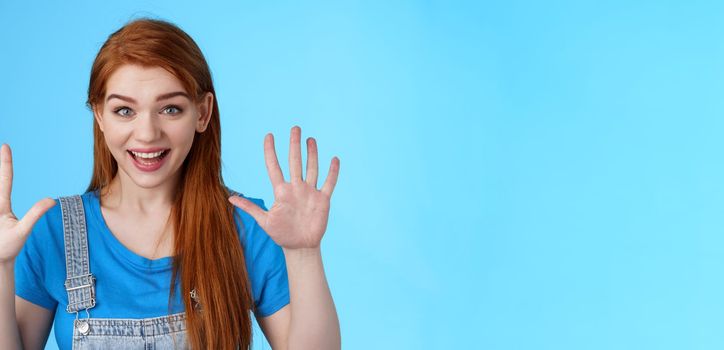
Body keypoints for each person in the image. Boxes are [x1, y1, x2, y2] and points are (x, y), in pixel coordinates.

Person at [0, 18, 341, 350]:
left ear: (202, 113)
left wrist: (304, 254)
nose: (148, 133)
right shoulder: (54, 232)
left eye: (170, 109)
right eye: (124, 111)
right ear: (100, 115)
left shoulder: (245, 228)